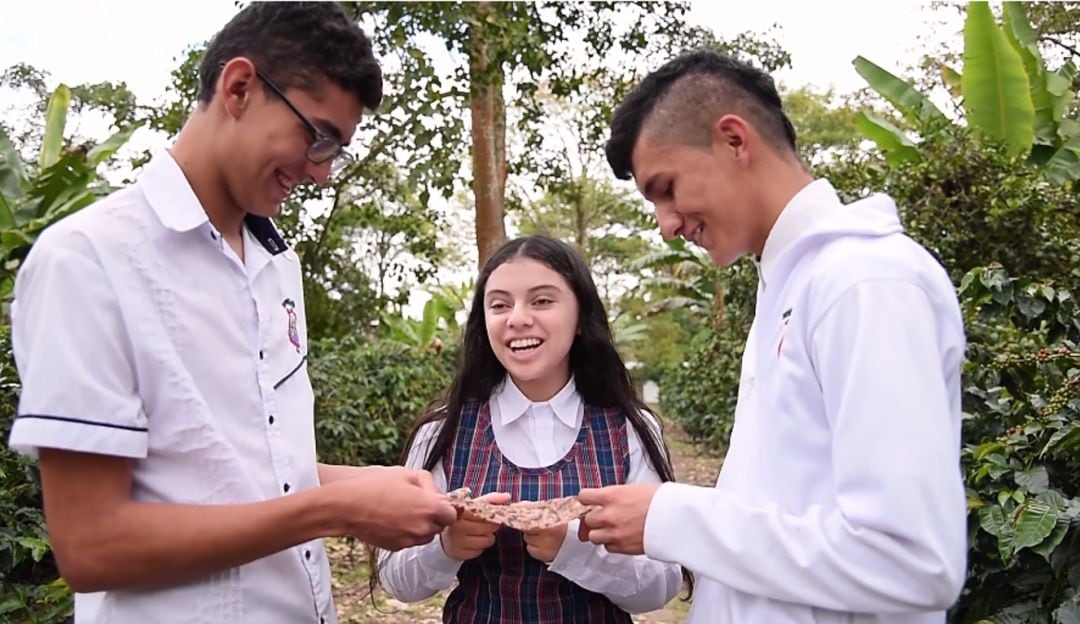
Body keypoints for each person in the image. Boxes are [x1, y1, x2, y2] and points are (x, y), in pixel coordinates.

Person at [5, 4, 457, 623]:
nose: (321, 173)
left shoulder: (275, 264)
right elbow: (91, 546)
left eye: (336, 152)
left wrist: (362, 482)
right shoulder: (89, 261)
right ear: (239, 87)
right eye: (317, 136)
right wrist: (336, 513)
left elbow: (247, 466)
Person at [577, 49, 968, 623]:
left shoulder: (862, 282)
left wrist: (673, 518)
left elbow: (910, 560)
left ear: (734, 141)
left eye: (667, 188)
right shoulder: (790, 285)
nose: (667, 224)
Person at [377, 234, 686, 623]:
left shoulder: (629, 430)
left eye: (542, 300)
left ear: (579, 318)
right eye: (499, 305)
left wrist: (572, 549)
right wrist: (446, 546)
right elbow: (395, 577)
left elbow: (661, 584)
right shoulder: (445, 430)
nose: (517, 318)